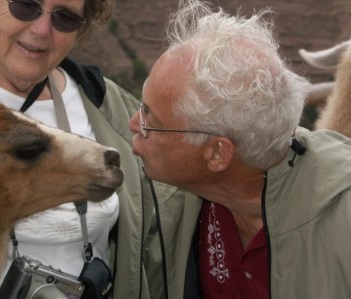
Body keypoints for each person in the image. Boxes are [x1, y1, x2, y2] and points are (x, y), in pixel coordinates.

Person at [0, 0, 195, 298]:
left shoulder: (121, 114)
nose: (42, 30)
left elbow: (169, 240)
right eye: (25, 6)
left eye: (65, 18)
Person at [129, 1, 351, 298]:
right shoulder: (166, 204)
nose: (132, 124)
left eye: (149, 117)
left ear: (218, 154)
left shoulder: (342, 228)